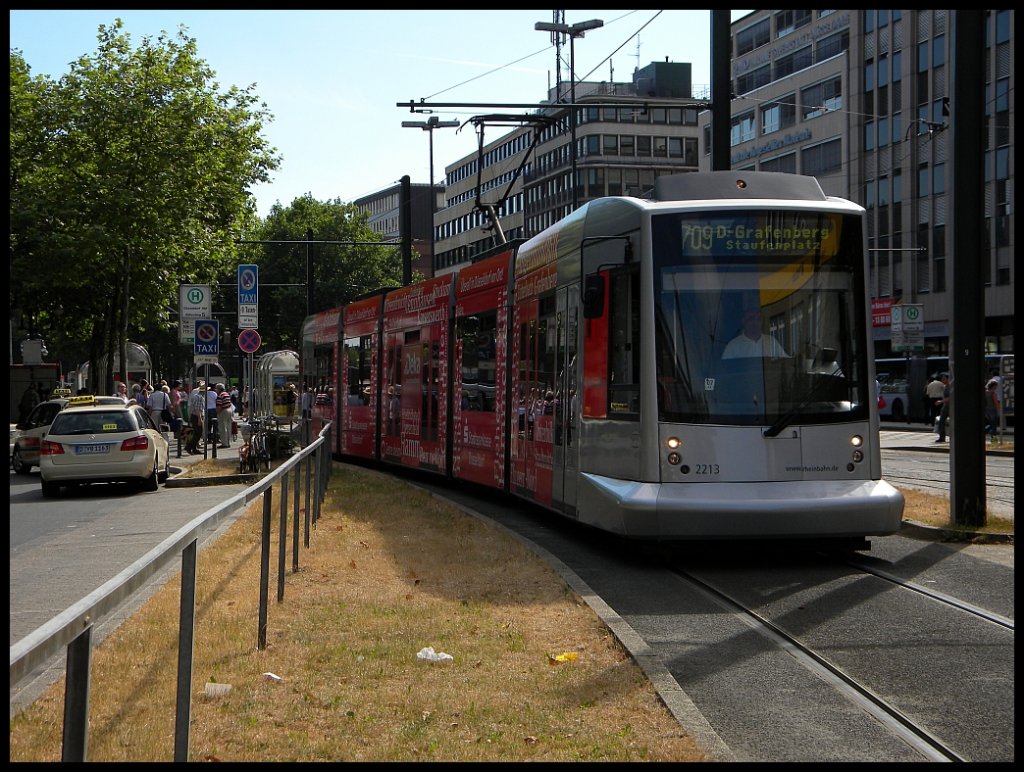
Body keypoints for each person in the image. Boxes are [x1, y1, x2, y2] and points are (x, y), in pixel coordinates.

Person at [722, 307, 789, 359]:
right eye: (751, 318)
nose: (755, 322)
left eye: (758, 319)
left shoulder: (771, 341)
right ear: (743, 321)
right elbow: (725, 369)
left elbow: (787, 361)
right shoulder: (733, 346)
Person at [185, 381, 206, 454]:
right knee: (199, 433)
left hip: (194, 416)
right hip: (197, 416)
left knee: (196, 433)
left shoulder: (196, 396)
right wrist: (200, 419)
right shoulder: (199, 397)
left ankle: (194, 449)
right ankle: (189, 447)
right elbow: (198, 409)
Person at [934, 373, 951, 443]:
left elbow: (951, 397)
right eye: (942, 378)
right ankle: (942, 437)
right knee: (941, 422)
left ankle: (953, 437)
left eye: (944, 378)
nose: (942, 380)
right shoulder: (945, 387)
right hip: (945, 406)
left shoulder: (951, 387)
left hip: (951, 407)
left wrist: (941, 401)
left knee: (953, 423)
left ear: (948, 379)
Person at [216, 384, 233, 448]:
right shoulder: (226, 394)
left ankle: (224, 443)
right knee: (228, 427)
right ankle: (228, 442)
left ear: (219, 389)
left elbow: (219, 406)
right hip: (229, 410)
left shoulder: (220, 395)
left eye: (216, 389)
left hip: (223, 411)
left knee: (222, 428)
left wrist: (217, 412)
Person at [984, 377, 1001, 442]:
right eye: (996, 386)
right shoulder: (993, 393)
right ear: (993, 386)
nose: (996, 387)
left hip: (987, 410)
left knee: (990, 424)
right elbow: (996, 403)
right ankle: (993, 439)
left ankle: (985, 432)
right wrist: (999, 409)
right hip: (993, 410)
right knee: (993, 426)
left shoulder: (985, 392)